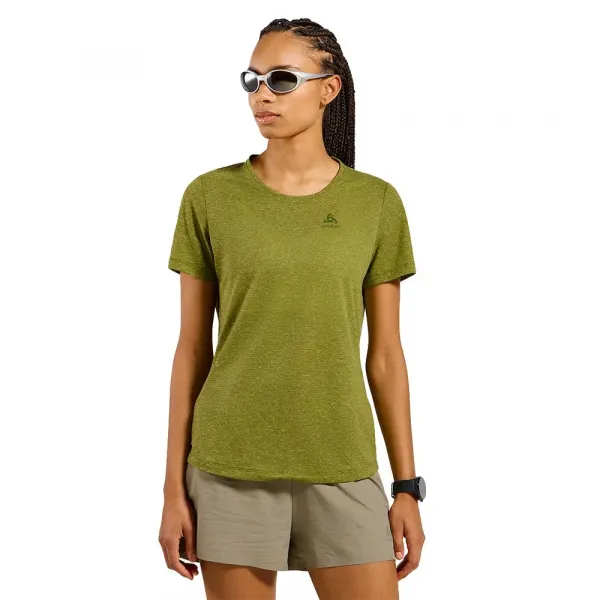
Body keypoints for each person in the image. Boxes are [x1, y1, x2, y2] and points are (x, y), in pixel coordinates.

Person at [158, 17, 426, 600]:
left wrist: (407, 486)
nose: (262, 94)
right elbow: (192, 350)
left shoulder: (376, 203)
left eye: (281, 79)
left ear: (329, 89)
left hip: (341, 461)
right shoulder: (210, 197)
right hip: (229, 467)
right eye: (252, 80)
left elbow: (386, 356)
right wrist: (172, 490)